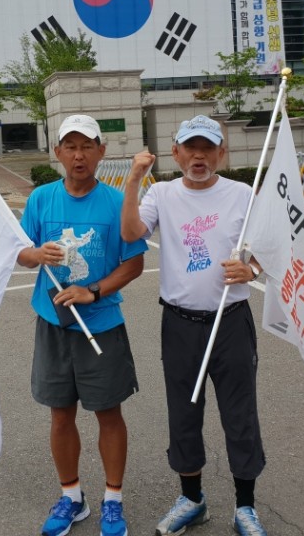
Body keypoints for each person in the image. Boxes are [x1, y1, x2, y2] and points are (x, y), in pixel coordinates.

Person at [120, 114, 269, 536]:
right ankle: (192, 499)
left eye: (208, 148)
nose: (198, 156)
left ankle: (245, 507)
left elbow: (276, 245)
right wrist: (133, 179)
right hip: (180, 323)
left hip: (230, 322)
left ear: (222, 152)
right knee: (183, 414)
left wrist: (252, 270)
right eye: (191, 148)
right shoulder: (162, 194)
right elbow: (131, 232)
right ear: (176, 152)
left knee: (240, 415)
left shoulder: (243, 194)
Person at [17, 114, 147, 536]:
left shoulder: (114, 202)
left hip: (102, 324)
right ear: (57, 153)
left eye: (87, 146)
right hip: (53, 323)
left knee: (109, 414)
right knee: (60, 415)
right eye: (70, 146)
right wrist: (35, 255)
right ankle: (71, 497)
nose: (78, 155)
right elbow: (19, 251)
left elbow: (134, 262)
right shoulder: (41, 199)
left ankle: (113, 499)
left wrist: (93, 290)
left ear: (100, 152)